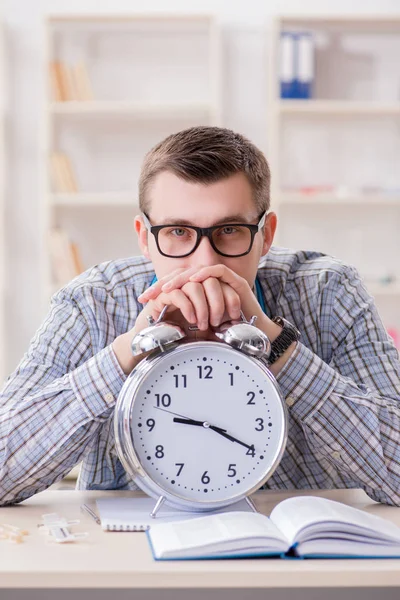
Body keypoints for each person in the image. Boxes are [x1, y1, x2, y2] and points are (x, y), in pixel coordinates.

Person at [1, 126, 400, 506]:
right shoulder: (95, 302)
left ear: (266, 235)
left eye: (229, 230)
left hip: (296, 563)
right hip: (131, 559)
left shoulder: (327, 293)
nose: (205, 262)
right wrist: (129, 349)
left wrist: (273, 341)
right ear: (144, 237)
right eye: (178, 232)